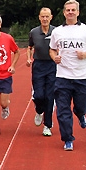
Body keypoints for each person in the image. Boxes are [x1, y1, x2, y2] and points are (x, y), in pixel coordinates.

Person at [49, 0, 86, 151]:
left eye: (73, 10)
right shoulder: (57, 31)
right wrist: (54, 57)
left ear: (78, 12)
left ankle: (80, 113)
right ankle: (68, 139)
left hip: (83, 76)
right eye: (67, 10)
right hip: (63, 76)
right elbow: (52, 49)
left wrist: (85, 55)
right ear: (64, 12)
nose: (70, 12)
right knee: (62, 109)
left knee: (80, 105)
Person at [26, 7, 56, 136]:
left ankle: (47, 125)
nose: (44, 19)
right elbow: (29, 47)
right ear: (39, 17)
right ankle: (39, 110)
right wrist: (28, 58)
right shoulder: (33, 32)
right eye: (42, 16)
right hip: (38, 65)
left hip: (52, 65)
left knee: (50, 96)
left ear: (51, 17)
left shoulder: (56, 31)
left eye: (47, 16)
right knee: (38, 95)